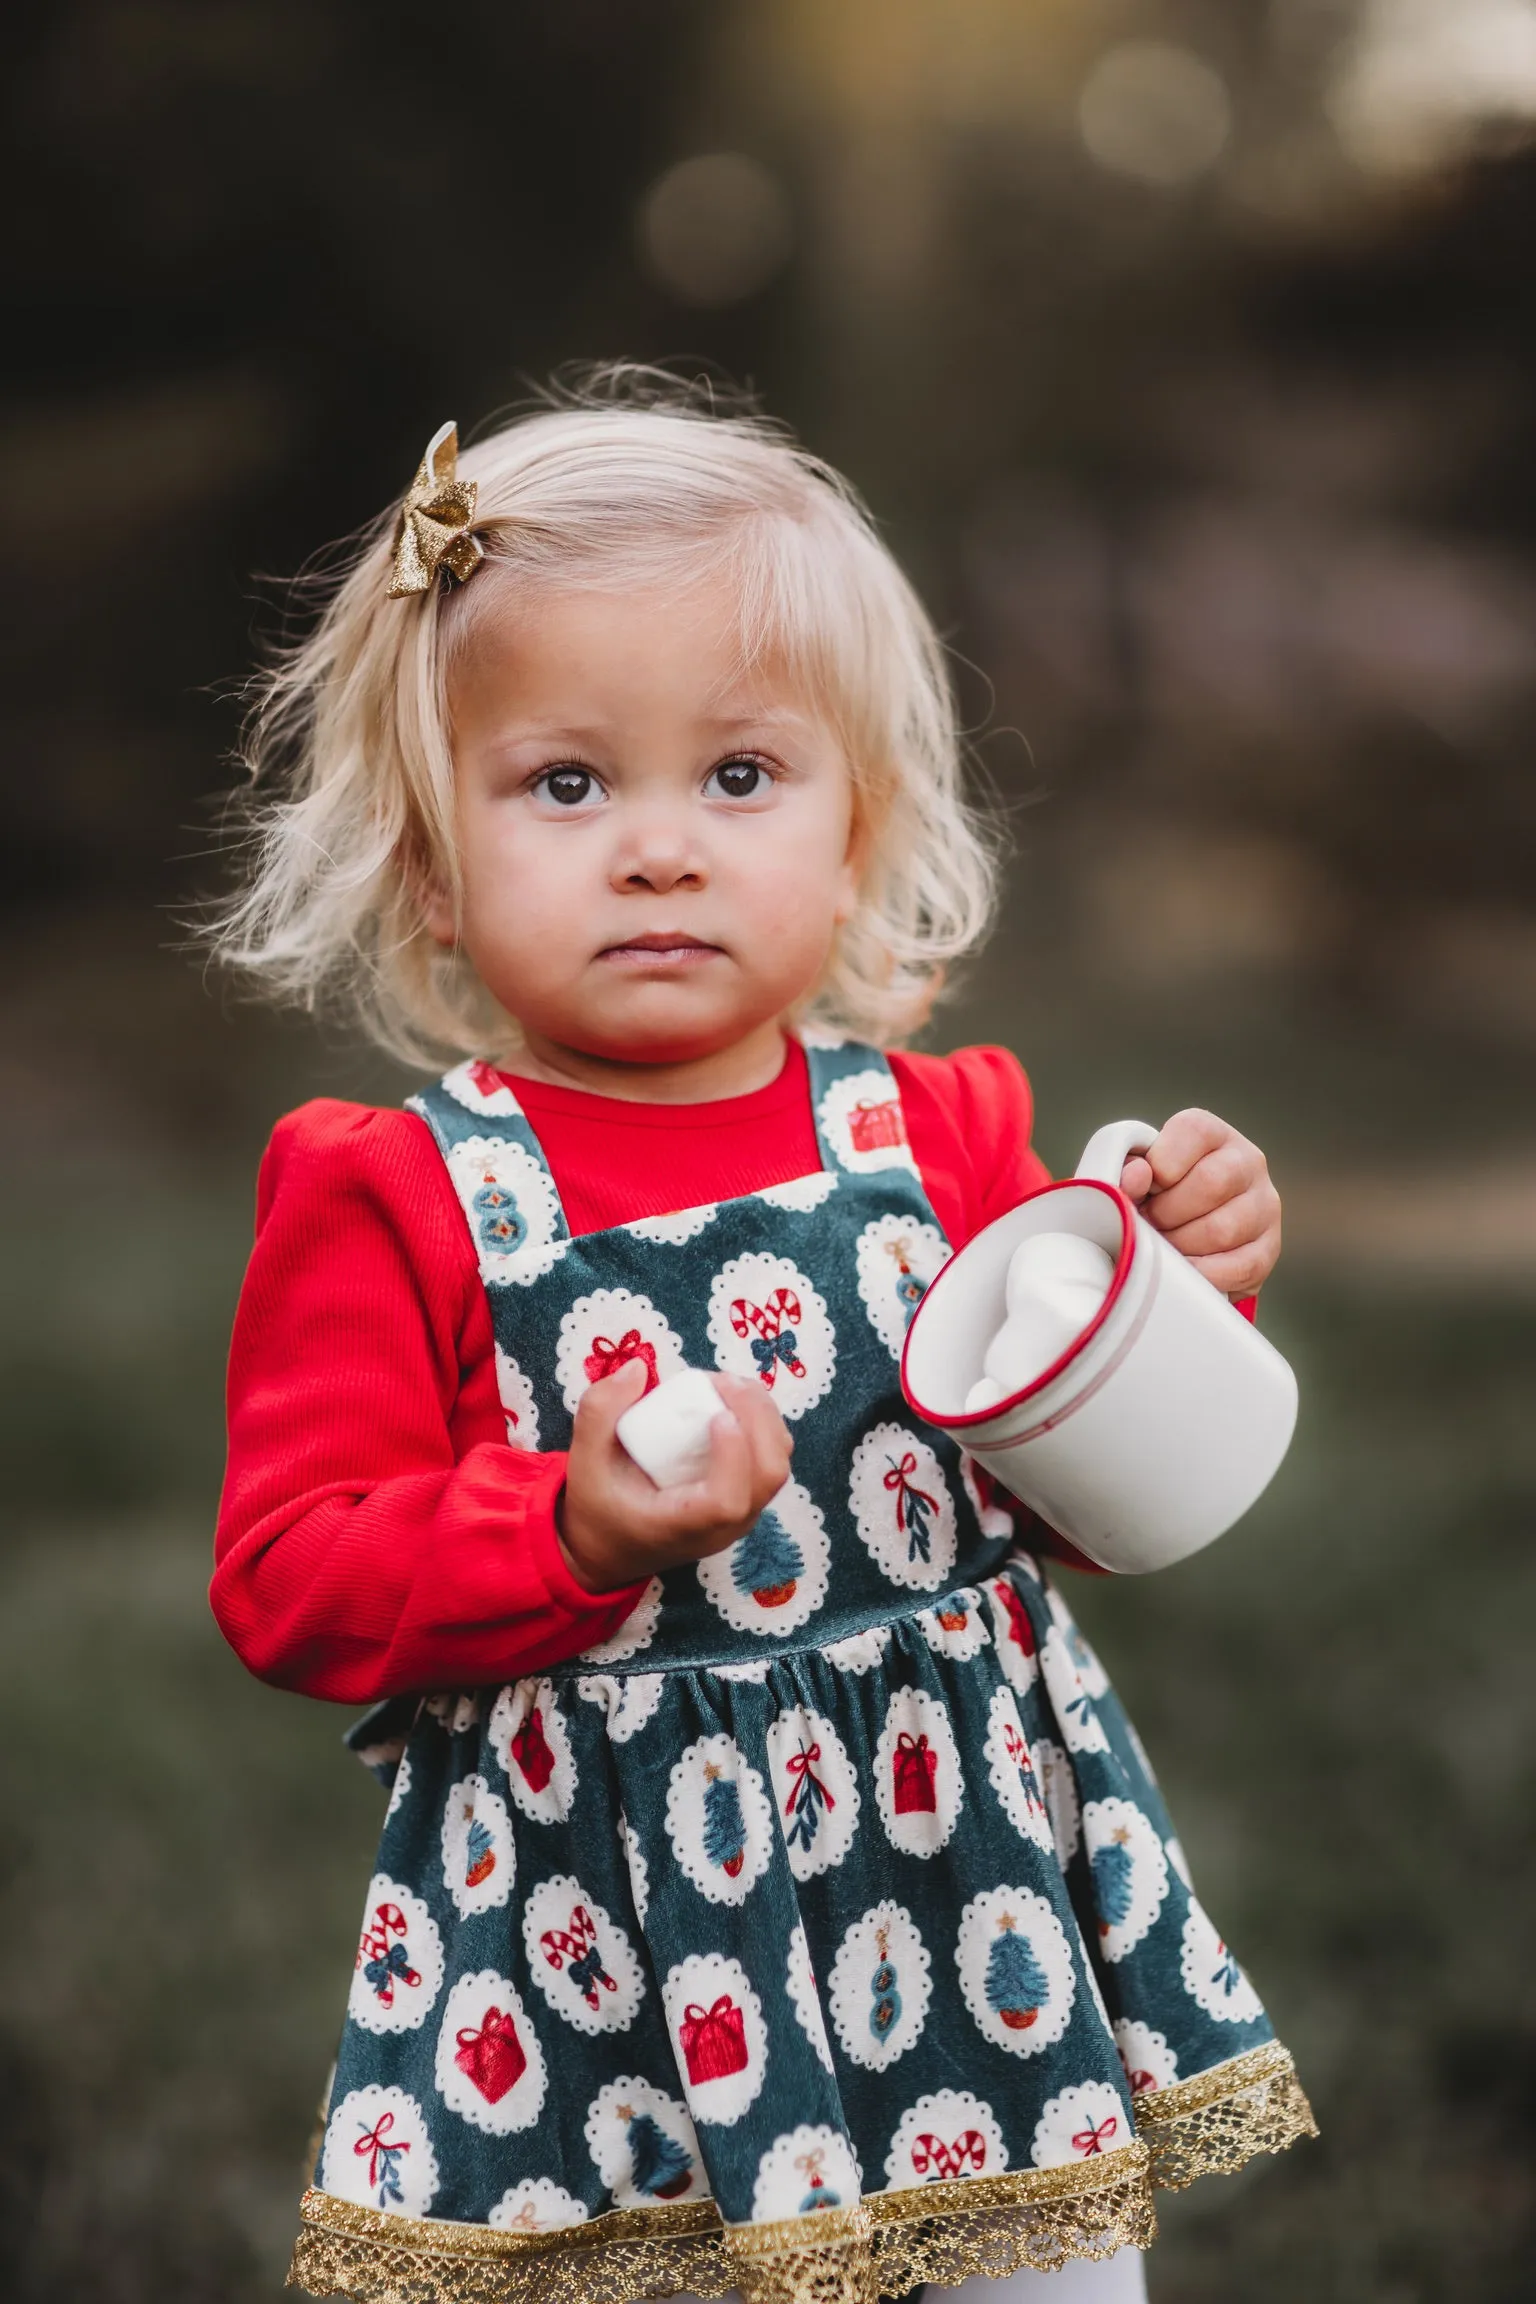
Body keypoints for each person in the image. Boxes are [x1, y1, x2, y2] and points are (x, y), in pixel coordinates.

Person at [210, 374, 1314, 2304]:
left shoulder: (944, 1134)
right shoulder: (396, 1190)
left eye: (738, 777)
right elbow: (292, 1580)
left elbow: (1062, 1493)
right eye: (566, 782)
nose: (658, 848)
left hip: (962, 1897)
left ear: (853, 821)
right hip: (609, 1945)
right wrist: (568, 1532)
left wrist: (1169, 1287)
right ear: (423, 856)